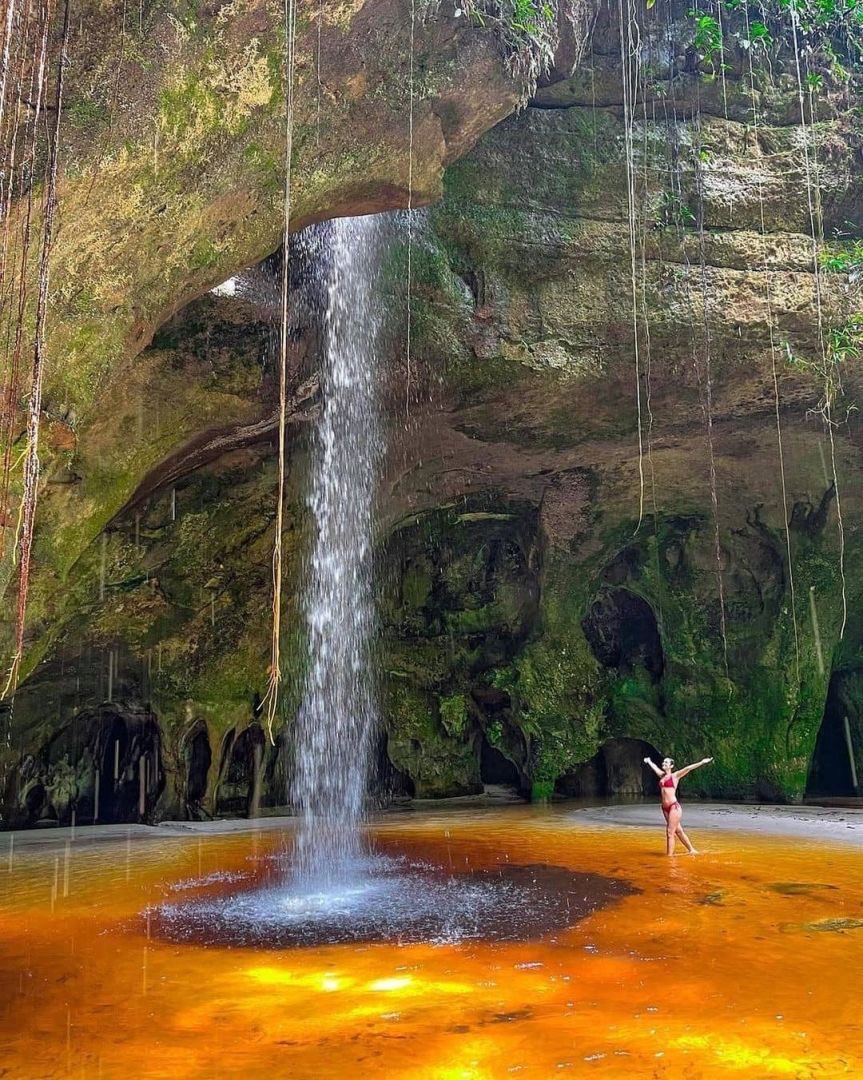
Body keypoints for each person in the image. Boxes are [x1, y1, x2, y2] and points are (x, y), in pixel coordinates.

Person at [643, 754, 713, 856]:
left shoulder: (675, 776)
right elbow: (655, 768)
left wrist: (702, 762)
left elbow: (688, 768)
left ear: (671, 766)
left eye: (666, 762)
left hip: (673, 807)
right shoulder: (662, 776)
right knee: (678, 831)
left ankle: (669, 857)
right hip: (665, 808)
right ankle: (691, 850)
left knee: (670, 832)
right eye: (664, 762)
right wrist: (649, 761)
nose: (664, 763)